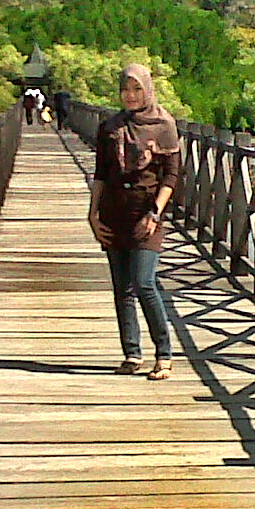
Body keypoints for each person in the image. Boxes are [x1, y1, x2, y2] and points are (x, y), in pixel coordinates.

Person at [89, 64, 179, 379]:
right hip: (114, 213)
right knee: (122, 289)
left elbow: (171, 174)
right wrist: (92, 213)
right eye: (125, 89)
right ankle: (131, 353)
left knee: (144, 282)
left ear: (147, 89)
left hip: (146, 215)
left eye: (137, 88)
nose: (130, 95)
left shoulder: (164, 124)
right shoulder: (110, 127)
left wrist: (155, 212)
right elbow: (101, 173)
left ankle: (164, 354)